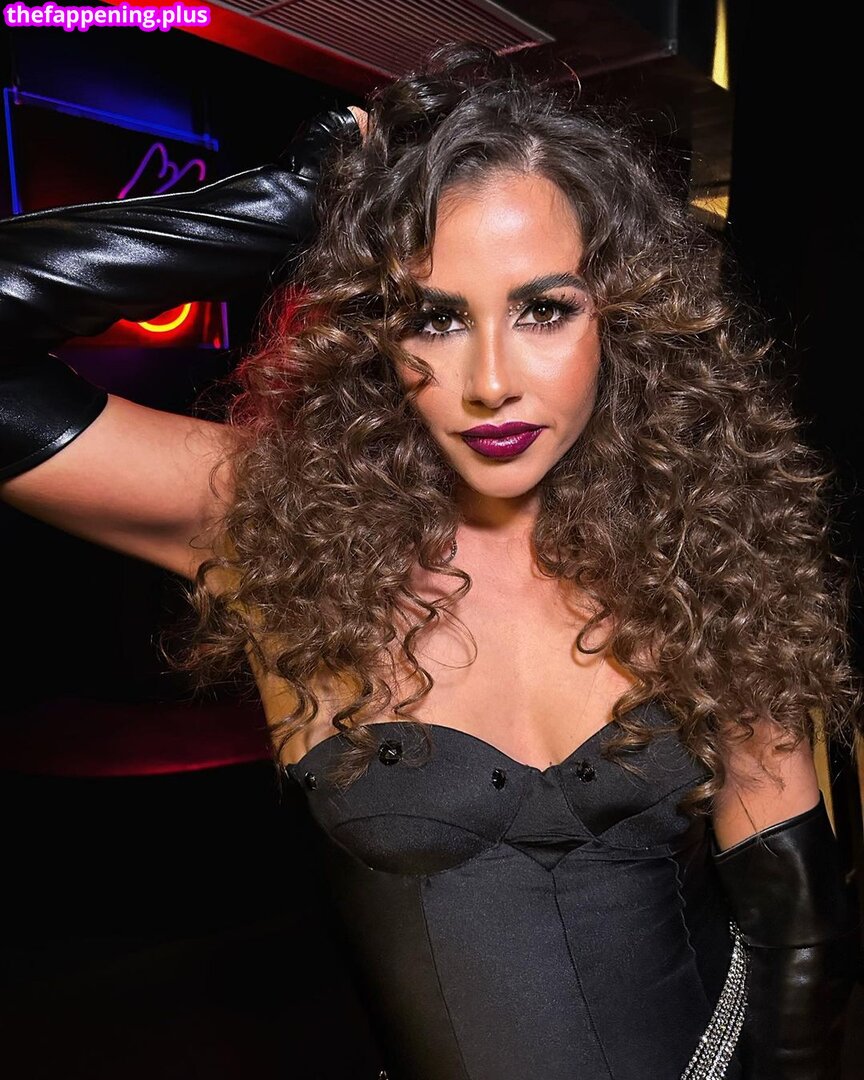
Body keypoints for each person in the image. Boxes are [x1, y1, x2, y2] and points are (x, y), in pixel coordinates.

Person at [1, 40, 861, 1080]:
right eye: (437, 317)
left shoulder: (703, 544)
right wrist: (283, 204)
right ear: (378, 332)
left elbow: (796, 935)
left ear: (621, 318)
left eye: (544, 310)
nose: (490, 380)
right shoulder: (278, 524)